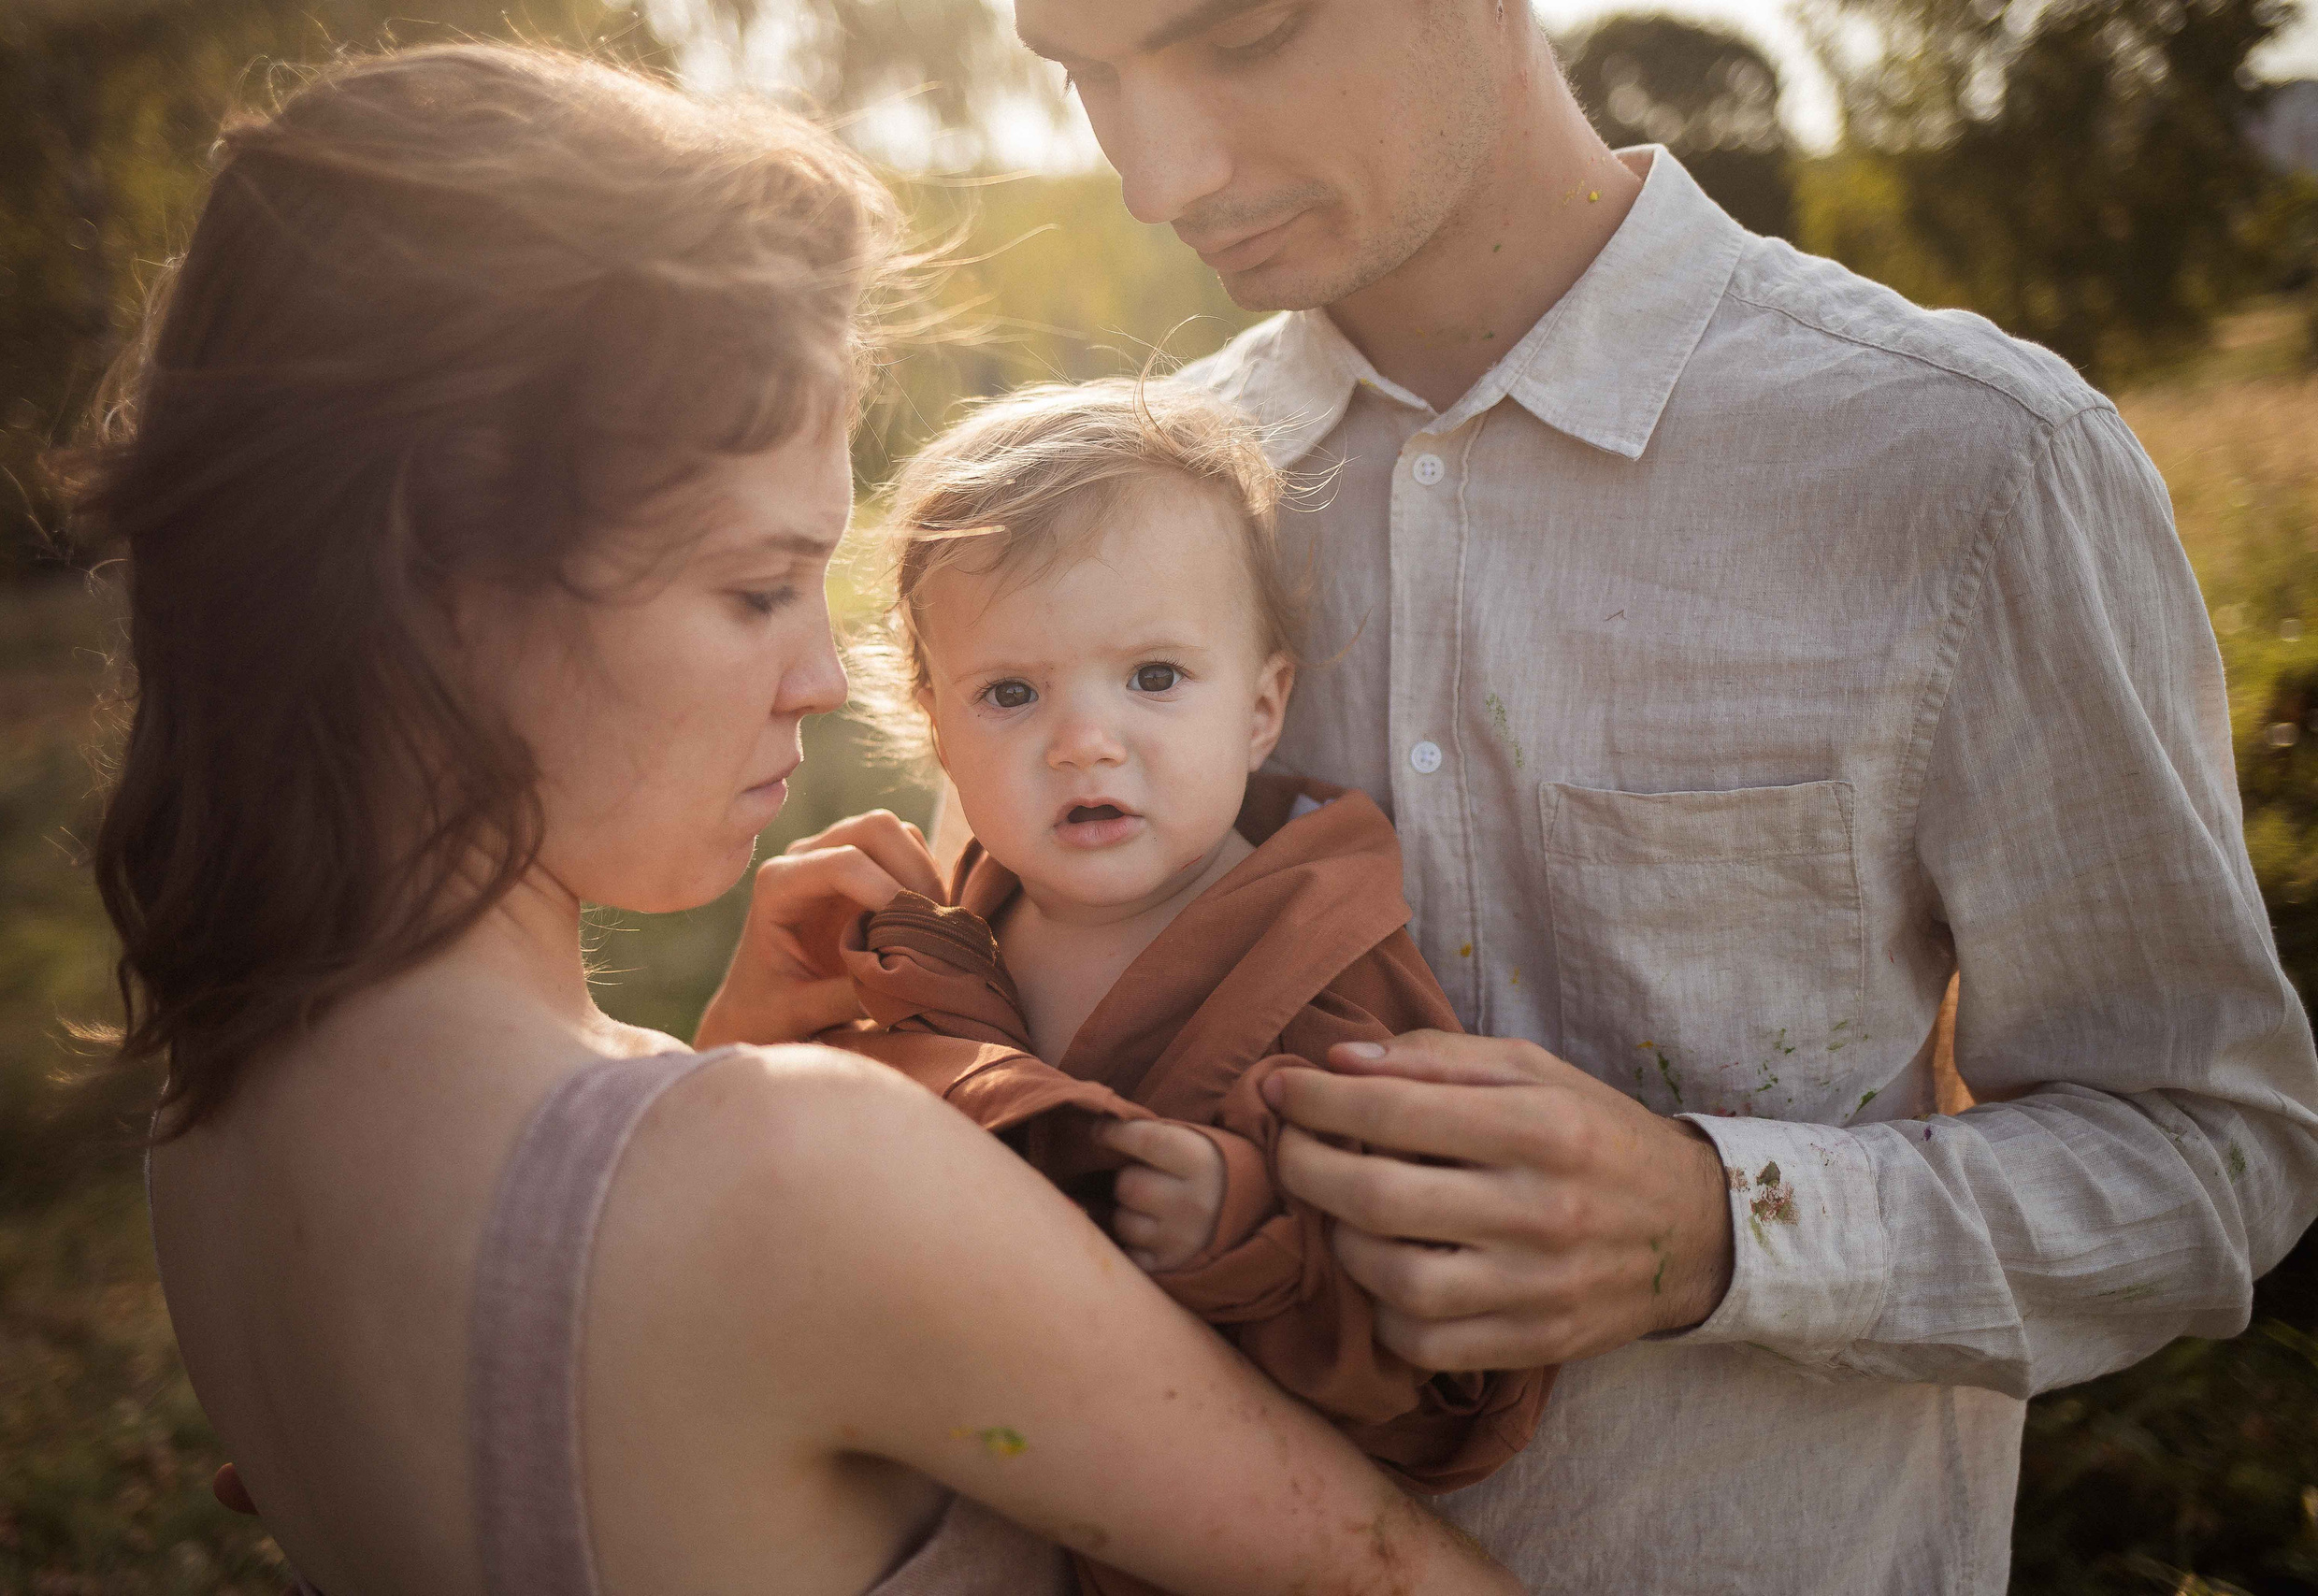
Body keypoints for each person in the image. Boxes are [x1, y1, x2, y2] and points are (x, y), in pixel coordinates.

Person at [76, 42, 1523, 1596]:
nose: (825, 681)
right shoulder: (786, 1171)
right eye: (758, 587)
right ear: (438, 576)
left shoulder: (209, 1134)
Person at [943, 0, 2318, 1587]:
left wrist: (1723, 1227)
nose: (1156, 175)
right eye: (1084, 72)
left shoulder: (1971, 462)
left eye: (1242, 37)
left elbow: (2213, 1154)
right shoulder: (1121, 511)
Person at [822, 379, 1555, 1589]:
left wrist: (1253, 1227)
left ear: (1262, 708)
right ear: (935, 729)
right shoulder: (935, 953)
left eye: (1154, 678)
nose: (1086, 741)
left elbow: (1449, 1363)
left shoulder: (1324, 967)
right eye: (1013, 693)